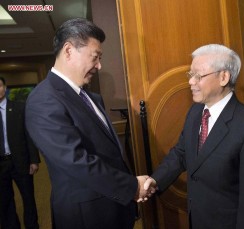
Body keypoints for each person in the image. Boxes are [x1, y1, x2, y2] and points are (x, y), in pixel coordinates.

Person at [25, 18, 151, 229]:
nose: (99, 66)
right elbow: (76, 160)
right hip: (86, 216)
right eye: (95, 57)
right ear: (68, 50)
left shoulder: (91, 97)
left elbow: (109, 153)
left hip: (113, 205)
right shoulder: (44, 99)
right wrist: (131, 186)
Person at [143, 44, 244, 229]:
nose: (191, 82)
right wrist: (155, 180)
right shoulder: (196, 112)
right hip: (197, 219)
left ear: (223, 77)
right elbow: (181, 153)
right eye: (190, 75)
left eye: (198, 75)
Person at [0, 77, 40, 229]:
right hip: (1, 164)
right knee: (5, 201)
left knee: (28, 199)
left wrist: (34, 160)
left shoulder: (19, 107)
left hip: (21, 161)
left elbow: (28, 134)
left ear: (5, 87)